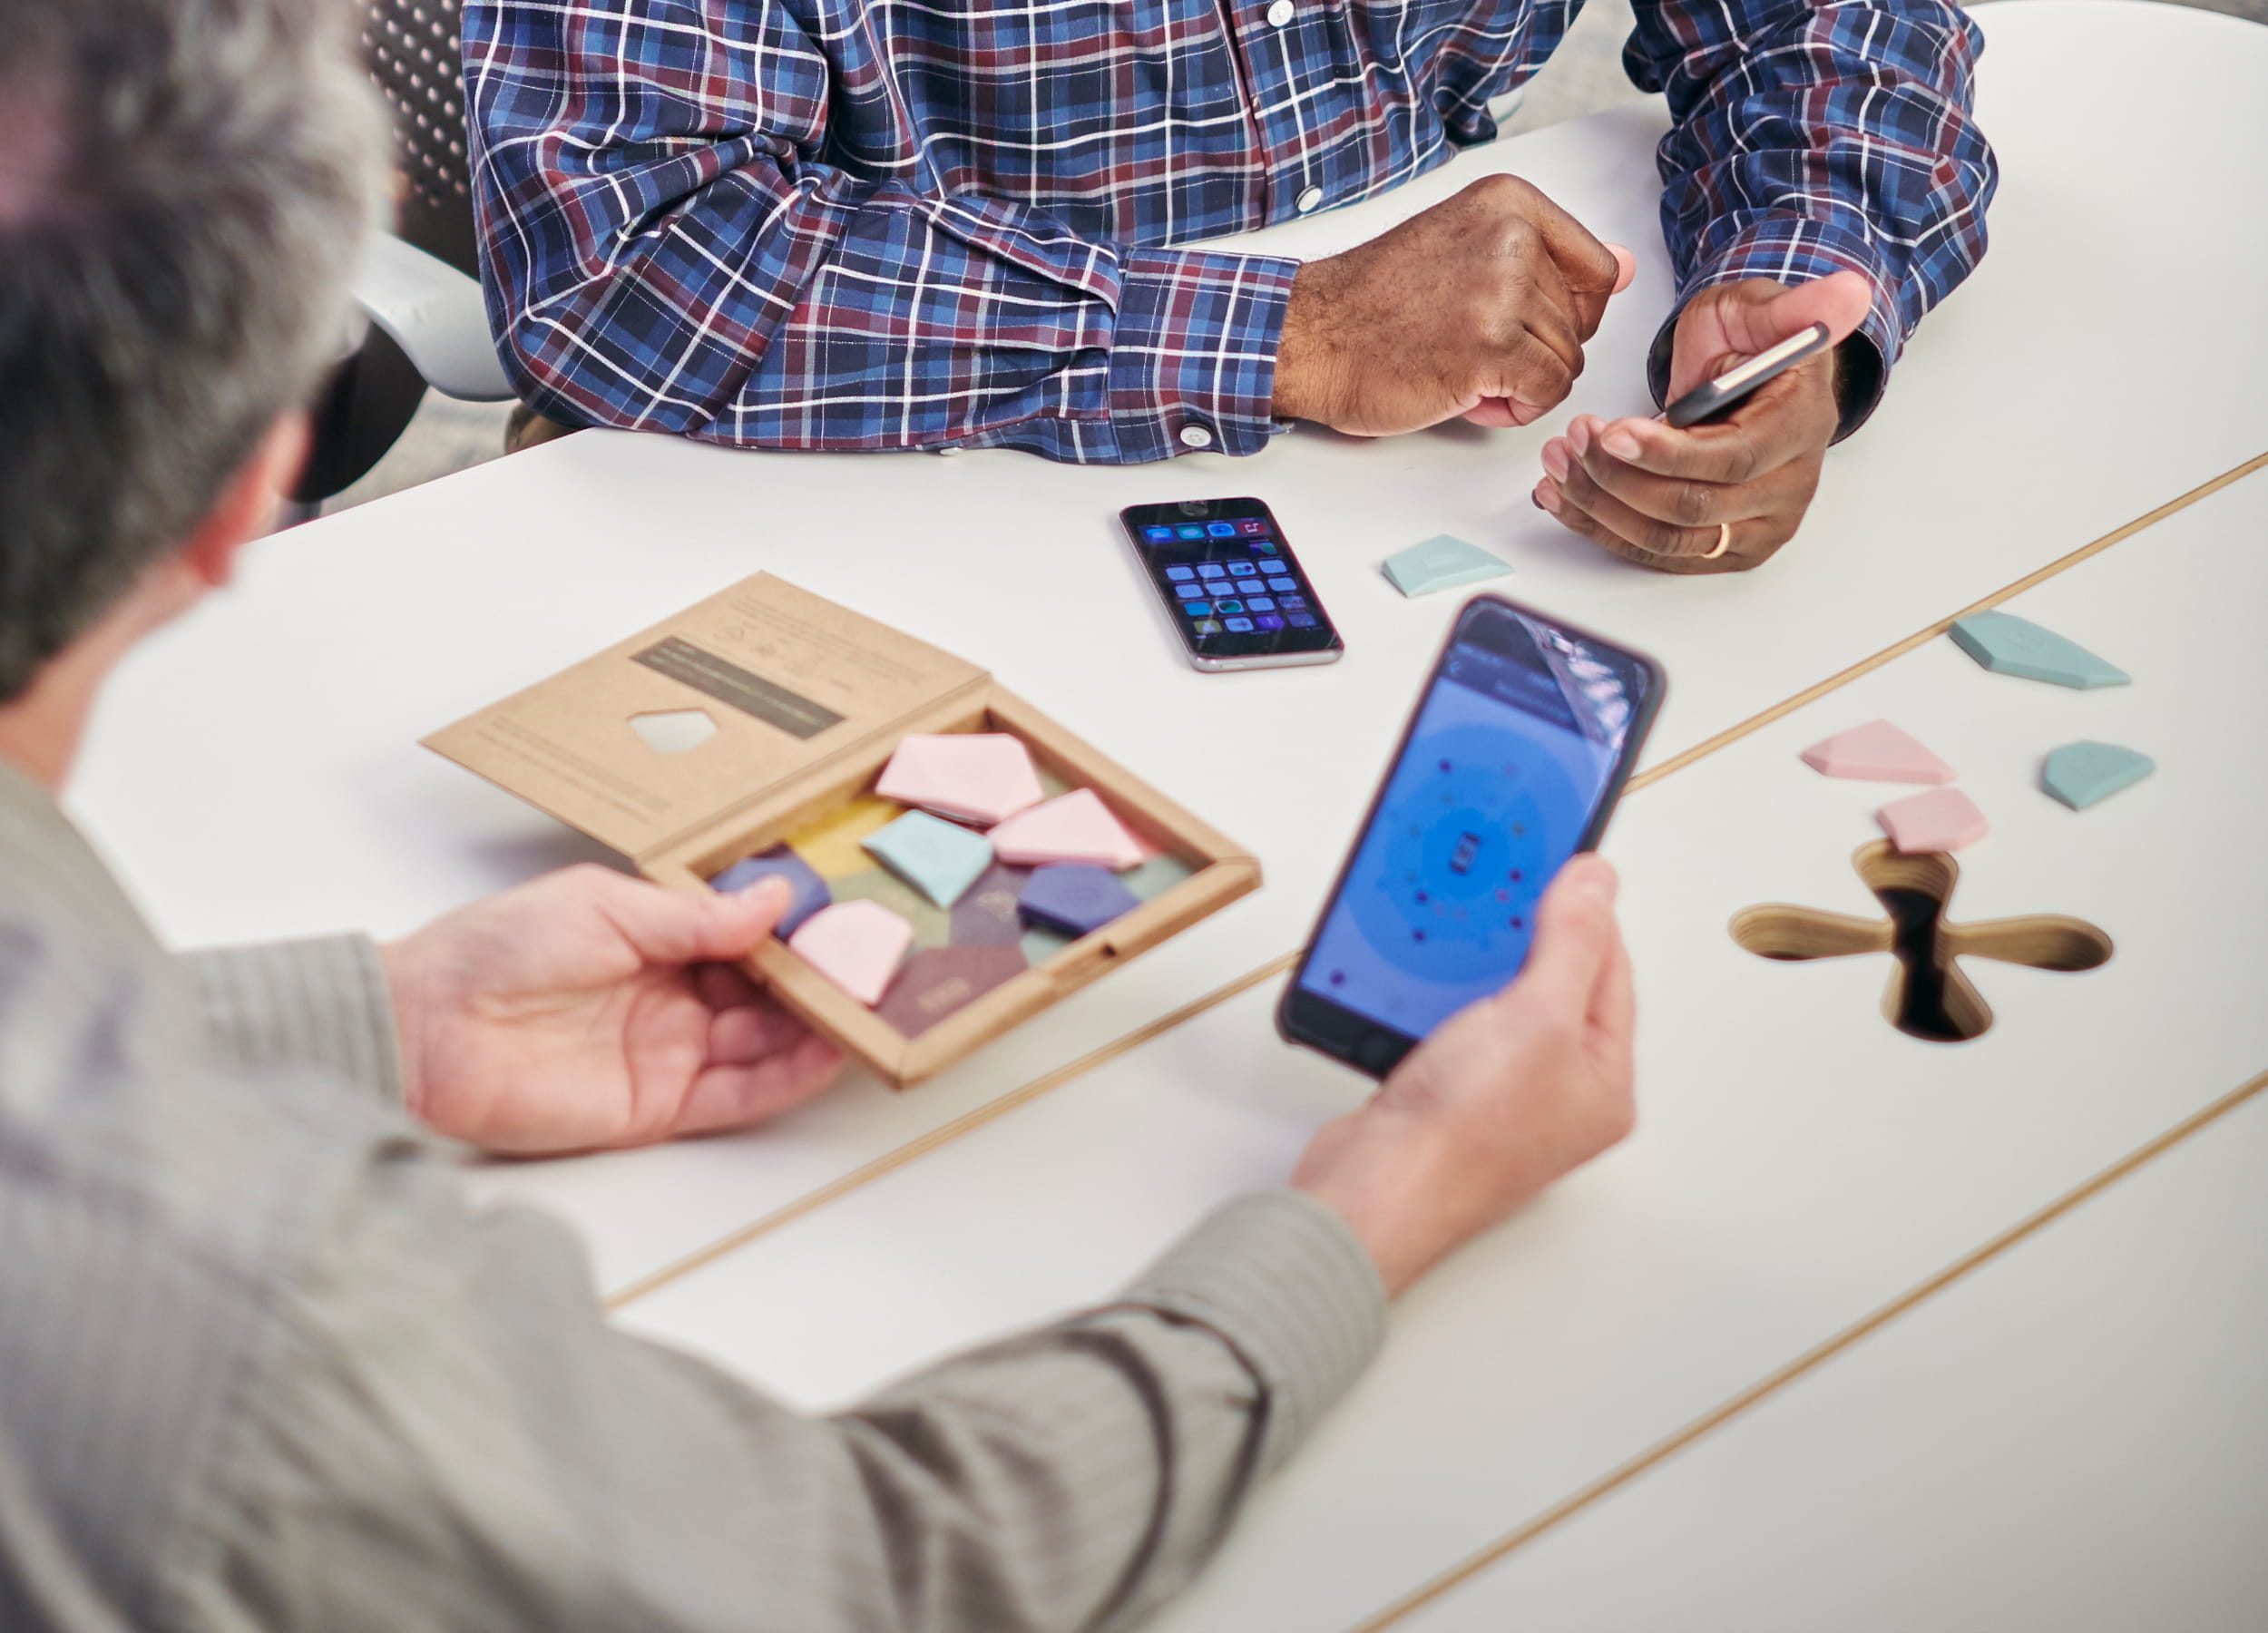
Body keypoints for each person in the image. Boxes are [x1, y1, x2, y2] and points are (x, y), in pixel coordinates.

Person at [0, 3, 1639, 1628]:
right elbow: (855, 1573)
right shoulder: (223, 1294)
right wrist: (1386, 1201)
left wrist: (368, 1019)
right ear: (248, 491)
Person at [464, 0, 1995, 572]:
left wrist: (1795, 274)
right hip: (850, 490)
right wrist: (1299, 331)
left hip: (1430, 497)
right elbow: (623, 258)